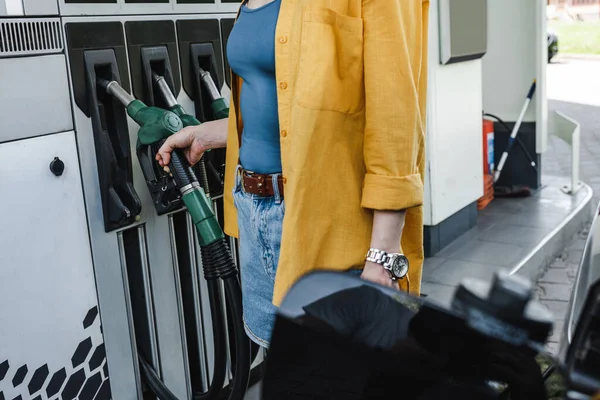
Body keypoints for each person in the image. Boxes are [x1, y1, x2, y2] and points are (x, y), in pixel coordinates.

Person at [157, 0, 430, 348]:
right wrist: (209, 133)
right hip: (254, 211)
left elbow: (396, 117)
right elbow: (284, 99)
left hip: (329, 224)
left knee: (342, 372)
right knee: (291, 367)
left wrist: (383, 256)